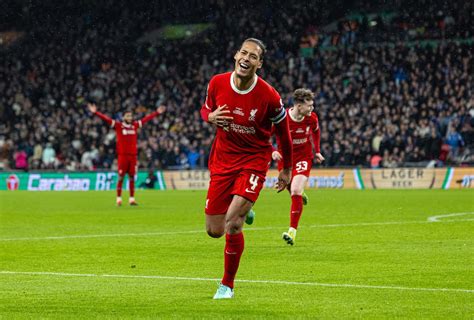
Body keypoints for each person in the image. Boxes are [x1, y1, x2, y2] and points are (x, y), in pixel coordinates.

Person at [200, 38, 293, 299]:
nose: (246, 58)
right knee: (214, 230)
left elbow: (284, 134)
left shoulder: (269, 96)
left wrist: (285, 169)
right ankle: (245, 209)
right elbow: (206, 108)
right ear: (235, 55)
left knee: (233, 224)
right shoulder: (217, 82)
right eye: (244, 52)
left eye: (253, 56)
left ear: (259, 64)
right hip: (222, 160)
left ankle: (227, 285)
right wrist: (209, 117)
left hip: (253, 160)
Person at [272, 88, 324, 245]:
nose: (312, 108)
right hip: (285, 159)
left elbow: (316, 131)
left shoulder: (311, 118)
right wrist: (272, 151)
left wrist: (317, 151)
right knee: (290, 188)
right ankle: (300, 196)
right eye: (309, 105)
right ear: (299, 106)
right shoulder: (282, 118)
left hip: (303, 157)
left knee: (295, 189)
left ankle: (292, 232)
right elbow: (265, 135)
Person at [87, 103, 166, 206]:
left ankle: (131, 199)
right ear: (123, 117)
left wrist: (157, 113)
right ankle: (119, 199)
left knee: (132, 177)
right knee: (121, 177)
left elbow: (146, 119)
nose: (130, 117)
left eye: (131, 116)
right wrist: (96, 112)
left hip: (133, 157)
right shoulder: (118, 126)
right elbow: (106, 119)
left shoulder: (135, 126)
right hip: (123, 156)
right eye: (128, 116)